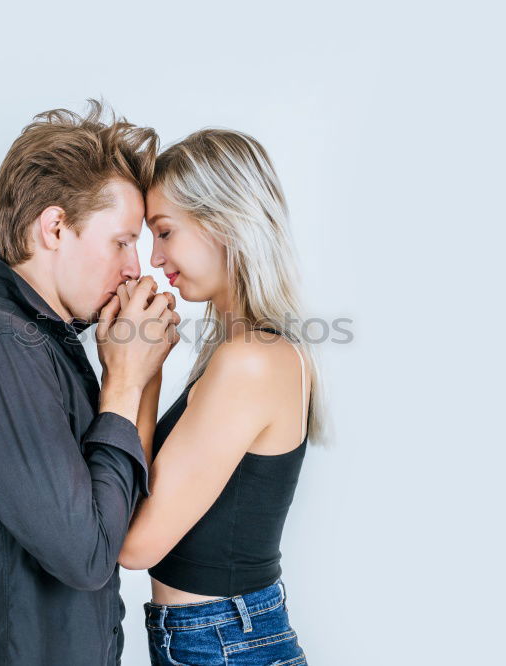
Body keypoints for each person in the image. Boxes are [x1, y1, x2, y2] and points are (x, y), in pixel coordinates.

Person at [0, 100, 181, 665]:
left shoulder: (49, 351)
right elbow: (86, 556)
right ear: (55, 227)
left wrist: (139, 374)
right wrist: (122, 383)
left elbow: (117, 528)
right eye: (121, 241)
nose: (137, 268)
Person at [117, 129, 326, 665]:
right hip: (220, 638)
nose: (154, 258)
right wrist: (146, 370)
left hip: (224, 644)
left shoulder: (250, 361)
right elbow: (138, 501)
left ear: (223, 222)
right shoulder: (257, 352)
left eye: (164, 232)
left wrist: (133, 375)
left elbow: (134, 544)